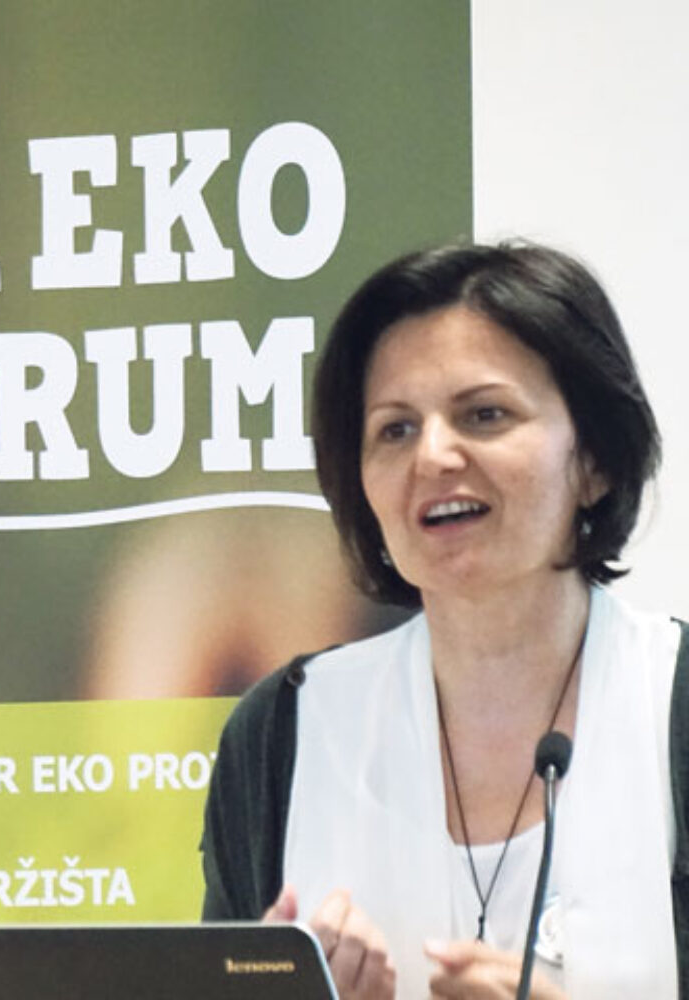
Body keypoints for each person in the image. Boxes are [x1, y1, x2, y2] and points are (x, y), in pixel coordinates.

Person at [199, 241, 686, 999]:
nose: (433, 456)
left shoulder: (671, 705)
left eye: (484, 414)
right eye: (394, 429)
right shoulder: (281, 733)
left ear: (594, 461)